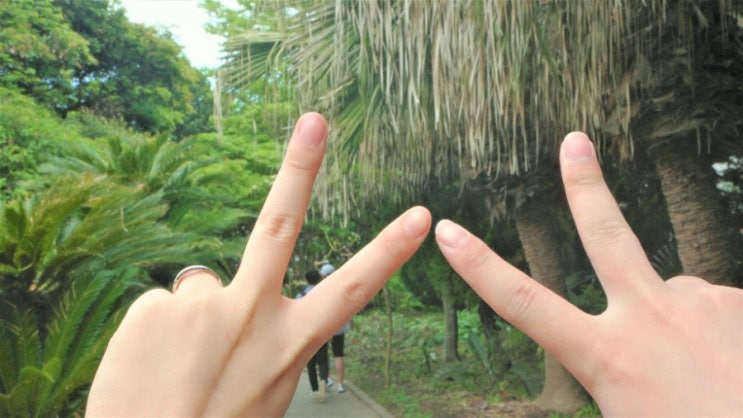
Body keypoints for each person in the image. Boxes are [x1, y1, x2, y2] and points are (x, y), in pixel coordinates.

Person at [86, 113, 743, 417]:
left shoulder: (313, 288)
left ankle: (330, 384)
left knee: (319, 357)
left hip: (296, 337)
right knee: (316, 358)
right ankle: (328, 384)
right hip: (297, 336)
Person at [296, 269, 330, 402]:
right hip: (321, 331)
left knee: (310, 363)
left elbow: (297, 316)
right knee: (323, 361)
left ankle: (315, 390)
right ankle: (323, 380)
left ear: (306, 280)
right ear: (318, 280)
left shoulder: (301, 295)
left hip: (306, 333)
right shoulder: (324, 294)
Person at [320, 263, 351, 393]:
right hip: (340, 327)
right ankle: (340, 384)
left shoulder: (321, 289)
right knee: (338, 355)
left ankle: (327, 379)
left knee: (324, 355)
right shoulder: (341, 287)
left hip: (326, 327)